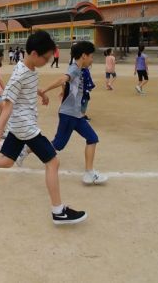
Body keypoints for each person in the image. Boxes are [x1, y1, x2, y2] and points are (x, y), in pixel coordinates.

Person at [0, 31, 87, 225]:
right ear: (34, 53)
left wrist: (41, 93)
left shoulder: (29, 69)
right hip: (25, 126)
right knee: (53, 162)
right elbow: (8, 105)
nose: (47, 61)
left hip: (21, 124)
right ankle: (58, 211)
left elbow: (28, 88)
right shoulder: (20, 74)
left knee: (6, 161)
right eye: (46, 58)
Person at [21, 41, 108, 185]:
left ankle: (89, 173)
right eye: (91, 56)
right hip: (68, 114)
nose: (92, 59)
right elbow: (63, 78)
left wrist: (64, 91)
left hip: (76, 115)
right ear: (84, 56)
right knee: (58, 144)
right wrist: (44, 90)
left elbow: (68, 83)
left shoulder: (79, 69)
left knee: (92, 138)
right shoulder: (74, 69)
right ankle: (25, 150)